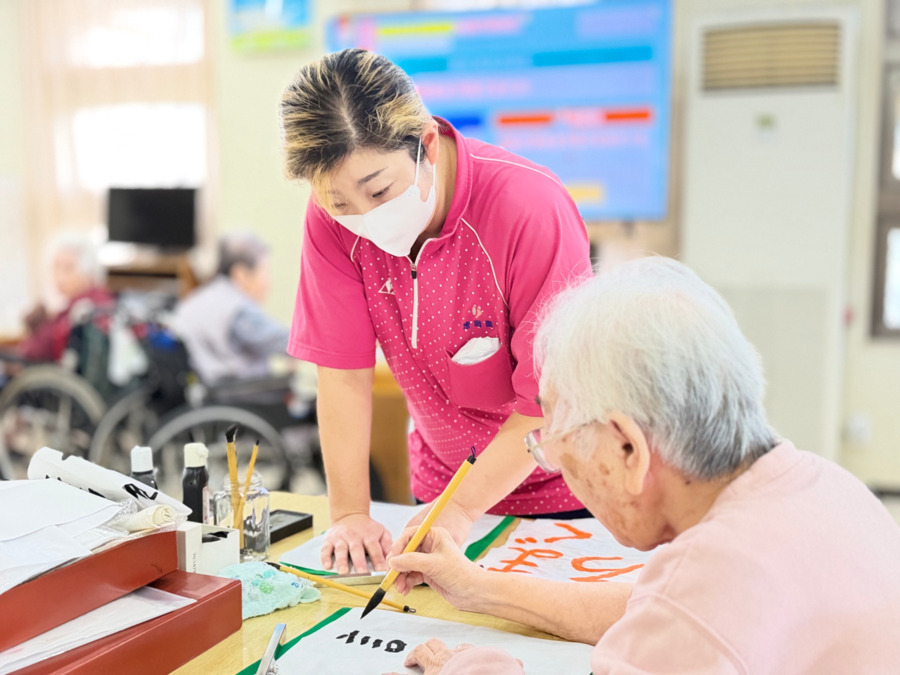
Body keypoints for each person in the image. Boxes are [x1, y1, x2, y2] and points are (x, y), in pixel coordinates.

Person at [386, 256, 900, 674]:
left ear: (628, 450)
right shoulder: (831, 488)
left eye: (557, 444)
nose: (561, 466)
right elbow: (653, 611)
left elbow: (681, 614)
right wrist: (479, 588)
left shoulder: (703, 592)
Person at [281, 48, 592, 575]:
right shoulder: (330, 221)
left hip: (563, 489)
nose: (365, 218)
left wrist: (464, 509)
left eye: (380, 190)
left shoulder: (528, 207)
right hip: (440, 488)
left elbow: (549, 401)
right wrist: (351, 514)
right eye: (341, 203)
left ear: (425, 143)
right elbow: (342, 375)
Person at [174, 231, 288, 385]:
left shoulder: (195, 301)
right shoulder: (238, 310)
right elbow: (284, 342)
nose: (268, 282)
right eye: (264, 271)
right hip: (239, 392)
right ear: (241, 274)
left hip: (203, 390)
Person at [17, 232, 114, 363]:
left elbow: (34, 351)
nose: (60, 277)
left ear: (89, 272)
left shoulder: (85, 307)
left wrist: (44, 316)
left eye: (68, 269)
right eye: (56, 267)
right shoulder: (96, 299)